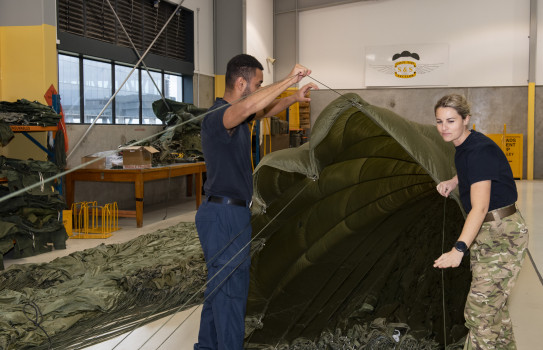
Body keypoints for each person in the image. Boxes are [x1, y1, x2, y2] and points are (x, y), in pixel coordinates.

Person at [194, 54, 317, 350]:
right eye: (258, 83)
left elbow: (262, 110)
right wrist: (289, 79)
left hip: (228, 213)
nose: (261, 88)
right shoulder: (218, 117)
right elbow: (250, 105)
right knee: (232, 295)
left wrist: (293, 97)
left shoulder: (239, 116)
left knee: (219, 292)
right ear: (241, 83)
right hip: (223, 215)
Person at [432, 94, 528, 349]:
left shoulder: (479, 150)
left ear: (466, 119)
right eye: (439, 121)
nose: (444, 128)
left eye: (451, 121)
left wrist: (458, 249)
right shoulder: (465, 145)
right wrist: (454, 181)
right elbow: (472, 172)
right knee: (493, 310)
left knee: (480, 312)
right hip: (487, 232)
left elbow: (480, 206)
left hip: (501, 233)